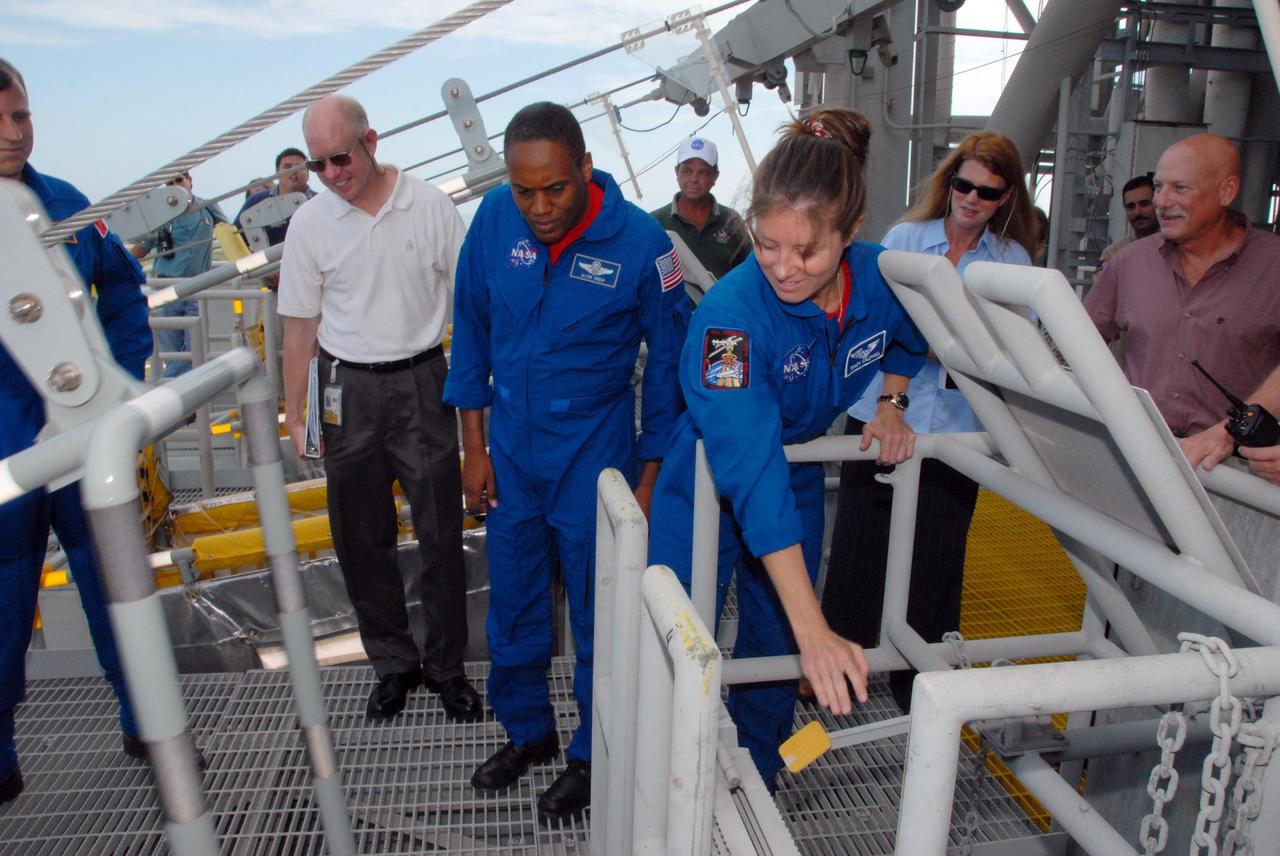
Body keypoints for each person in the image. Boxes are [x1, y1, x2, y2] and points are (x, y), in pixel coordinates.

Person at [647, 109, 928, 789]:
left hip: (799, 464)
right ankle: (668, 772)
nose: (783, 267)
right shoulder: (729, 322)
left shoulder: (887, 279)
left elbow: (912, 340)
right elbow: (748, 461)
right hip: (711, 473)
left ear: (850, 232)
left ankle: (758, 767)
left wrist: (892, 403)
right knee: (682, 635)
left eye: (806, 251)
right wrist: (819, 630)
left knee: (774, 634)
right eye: (768, 245)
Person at [445, 102, 691, 822]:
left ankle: (593, 751)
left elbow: (671, 367)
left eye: (554, 188)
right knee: (514, 606)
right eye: (525, 191)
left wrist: (646, 481)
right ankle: (529, 733)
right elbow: (472, 329)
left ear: (585, 168)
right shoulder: (494, 221)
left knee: (597, 617)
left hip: (597, 460)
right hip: (513, 458)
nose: (540, 207)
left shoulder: (646, 245)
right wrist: (473, 448)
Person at [278, 95, 482, 726]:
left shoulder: (429, 205)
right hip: (347, 392)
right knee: (361, 539)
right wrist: (299, 415)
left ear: (372, 139)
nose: (332, 174)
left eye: (340, 157)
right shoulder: (310, 225)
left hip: (423, 381)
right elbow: (298, 329)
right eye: (319, 165)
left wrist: (480, 413)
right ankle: (393, 664)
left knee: (442, 532)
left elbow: (471, 305)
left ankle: (446, 668)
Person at [823, 130, 1037, 713]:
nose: (972, 199)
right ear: (949, 184)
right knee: (858, 544)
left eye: (988, 193)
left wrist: (935, 343)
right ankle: (842, 669)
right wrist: (946, 344)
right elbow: (879, 323)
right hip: (878, 414)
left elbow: (1011, 345)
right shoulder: (903, 239)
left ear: (1006, 198)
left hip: (957, 426)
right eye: (964, 185)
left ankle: (919, 683)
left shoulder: (1013, 260)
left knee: (940, 553)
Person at [0, 57, 152, 803]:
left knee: (116, 587)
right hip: (8, 453)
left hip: (88, 440)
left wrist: (123, 379)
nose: (11, 134)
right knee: (2, 606)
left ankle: (146, 721)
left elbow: (122, 289)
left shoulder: (66, 205)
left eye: (20, 116)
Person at [1085, 133, 1280, 470]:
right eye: (1159, 187)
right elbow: (1077, 342)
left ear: (1226, 191)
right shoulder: (1129, 262)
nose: (1161, 201)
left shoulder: (1273, 266)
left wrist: (1228, 432)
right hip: (1137, 458)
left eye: (1180, 188)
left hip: (1236, 475)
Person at [131, 171, 227, 377]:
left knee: (195, 348)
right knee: (173, 353)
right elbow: (141, 249)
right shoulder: (161, 214)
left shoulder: (207, 206)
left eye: (179, 180)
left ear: (190, 181)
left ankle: (167, 385)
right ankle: (185, 404)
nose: (175, 185)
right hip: (166, 288)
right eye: (170, 183)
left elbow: (229, 232)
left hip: (197, 286)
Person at [649, 135, 750, 280]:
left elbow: (751, 274)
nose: (694, 179)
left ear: (715, 176)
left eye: (703, 172)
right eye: (687, 171)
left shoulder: (732, 220)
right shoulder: (654, 222)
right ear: (677, 172)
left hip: (724, 303)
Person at [234, 147, 315, 248]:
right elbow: (235, 237)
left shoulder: (319, 202)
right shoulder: (256, 201)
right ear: (277, 172)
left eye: (300, 167)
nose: (294, 171)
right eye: (287, 166)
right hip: (269, 263)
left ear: (308, 173)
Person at [1099, 174, 1158, 265]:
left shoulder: (1178, 248)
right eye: (1131, 206)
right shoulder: (1113, 254)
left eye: (1144, 204)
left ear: (1158, 204)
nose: (1137, 212)